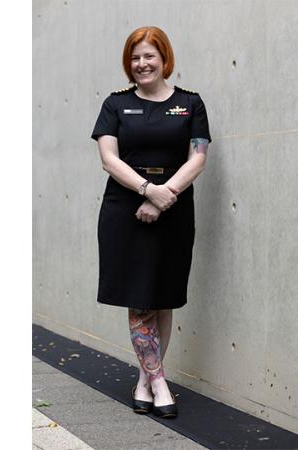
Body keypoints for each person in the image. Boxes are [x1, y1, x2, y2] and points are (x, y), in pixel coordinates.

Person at [90, 26, 211, 419]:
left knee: (163, 297)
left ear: (164, 59)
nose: (141, 64)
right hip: (125, 210)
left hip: (173, 208)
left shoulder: (190, 104)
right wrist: (147, 190)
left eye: (148, 56)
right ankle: (160, 383)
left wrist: (163, 197)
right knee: (140, 298)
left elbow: (197, 158)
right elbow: (109, 158)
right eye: (134, 57)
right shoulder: (115, 104)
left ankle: (144, 379)